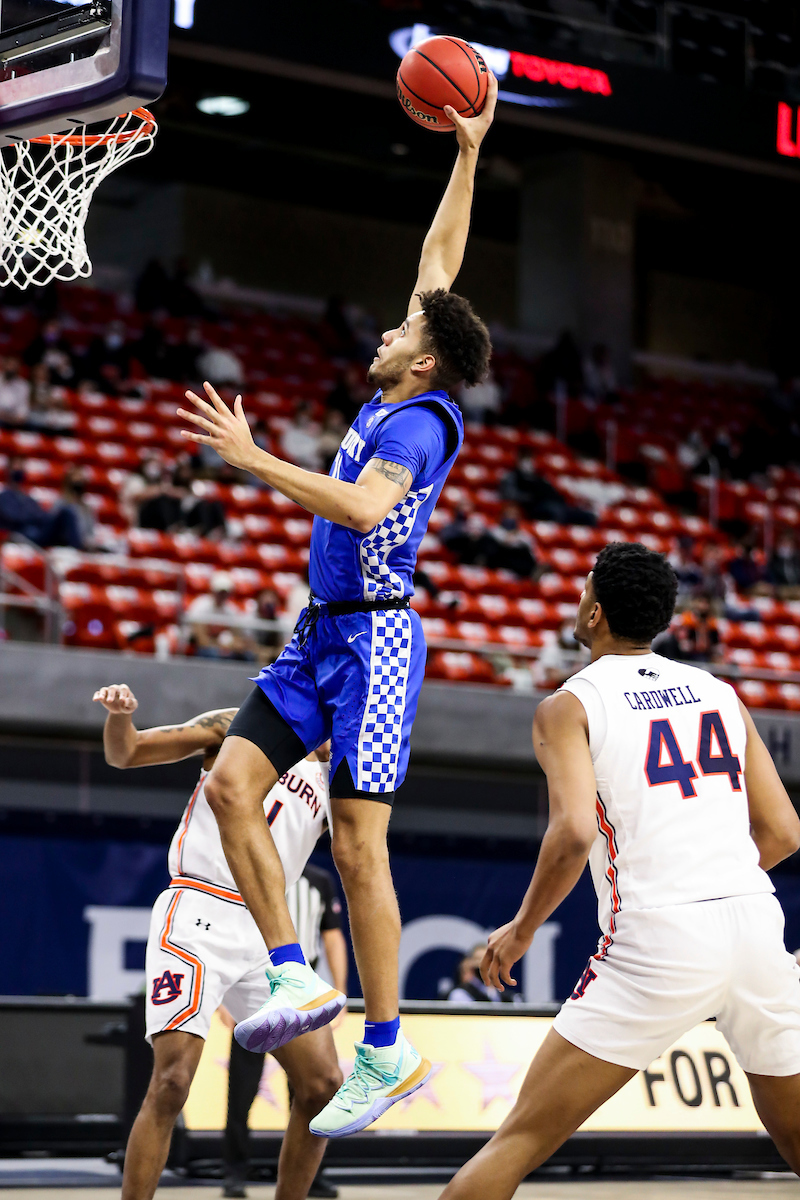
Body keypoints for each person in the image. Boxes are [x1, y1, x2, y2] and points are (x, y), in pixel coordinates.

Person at [176, 77, 498, 1138]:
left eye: (405, 331)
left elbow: (363, 509)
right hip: (323, 633)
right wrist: (465, 153)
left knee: (361, 849)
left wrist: (252, 457)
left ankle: (386, 1047)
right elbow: (438, 261)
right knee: (231, 786)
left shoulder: (418, 426)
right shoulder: (405, 371)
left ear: (428, 360)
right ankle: (291, 976)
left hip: (377, 641)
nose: (387, 329)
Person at [439, 541, 800, 1198]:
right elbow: (782, 832)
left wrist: (520, 930)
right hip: (755, 924)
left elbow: (574, 831)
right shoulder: (719, 692)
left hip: (659, 936)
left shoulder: (568, 704)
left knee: (517, 1142)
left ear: (596, 613)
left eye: (582, 591)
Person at [91, 684, 343, 1200]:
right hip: (199, 907)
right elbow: (127, 752)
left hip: (269, 932)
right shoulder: (236, 724)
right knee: (172, 1083)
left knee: (323, 1087)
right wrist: (121, 719)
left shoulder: (340, 777)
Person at [223, 864, 348, 1200]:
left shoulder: (319, 880)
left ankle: (314, 1174)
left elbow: (332, 935)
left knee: (315, 1089)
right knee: (242, 1091)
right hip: (252, 990)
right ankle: (234, 1171)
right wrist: (224, 994)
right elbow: (228, 930)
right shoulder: (248, 865)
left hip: (303, 994)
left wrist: (340, 987)